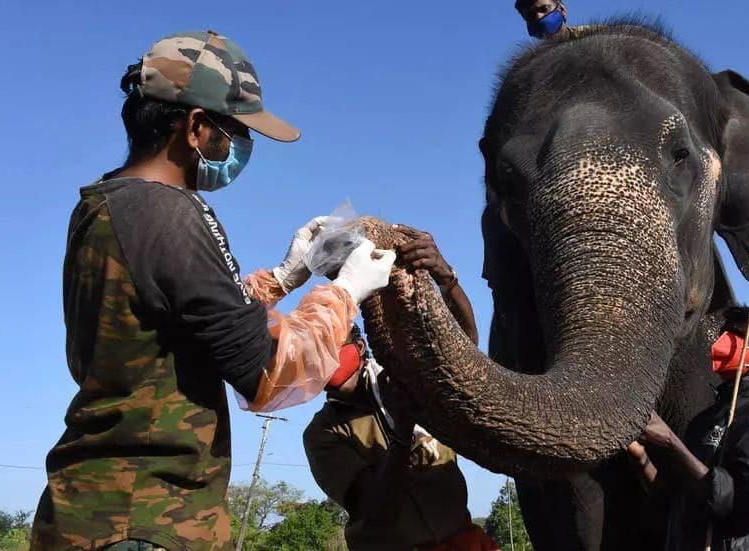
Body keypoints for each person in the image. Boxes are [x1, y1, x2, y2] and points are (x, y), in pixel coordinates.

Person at [30, 30, 395, 551]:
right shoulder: (170, 212)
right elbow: (269, 372)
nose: (240, 148)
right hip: (148, 518)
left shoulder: (107, 207)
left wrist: (285, 277)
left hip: (93, 509)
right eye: (235, 132)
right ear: (196, 127)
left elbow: (193, 317)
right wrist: (346, 292)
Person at [303, 226, 496, 551]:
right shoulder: (323, 434)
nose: (327, 359)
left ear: (360, 346)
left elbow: (464, 351)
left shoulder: (404, 378)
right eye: (314, 354)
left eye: (335, 344)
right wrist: (402, 434)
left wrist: (447, 279)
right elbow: (376, 510)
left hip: (463, 540)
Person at [627, 304, 749, 550]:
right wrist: (639, 455)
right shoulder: (707, 417)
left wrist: (671, 441)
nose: (725, 343)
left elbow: (740, 508)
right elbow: (674, 500)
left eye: (740, 336)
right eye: (725, 334)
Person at [515, 0, 592, 40]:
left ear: (562, 9)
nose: (539, 17)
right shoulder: (531, 62)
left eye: (544, 9)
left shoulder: (593, 35)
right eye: (531, 15)